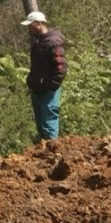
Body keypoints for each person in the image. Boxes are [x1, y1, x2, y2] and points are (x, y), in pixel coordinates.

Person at [23, 10, 67, 141]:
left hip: (47, 91)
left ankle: (53, 153)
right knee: (41, 128)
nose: (28, 29)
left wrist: (51, 87)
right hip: (38, 89)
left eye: (30, 26)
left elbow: (61, 68)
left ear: (38, 24)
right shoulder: (39, 41)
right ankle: (42, 156)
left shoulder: (52, 42)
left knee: (49, 125)